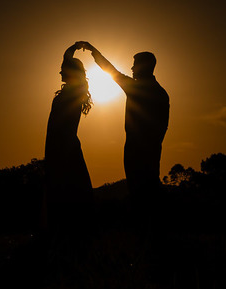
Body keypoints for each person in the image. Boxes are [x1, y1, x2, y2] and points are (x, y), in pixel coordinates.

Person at [77, 41, 169, 201]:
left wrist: (93, 51)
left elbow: (112, 71)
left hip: (138, 153)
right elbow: (163, 127)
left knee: (142, 196)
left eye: (135, 65)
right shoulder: (161, 93)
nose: (132, 69)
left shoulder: (138, 89)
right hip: (150, 153)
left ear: (144, 67)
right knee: (148, 193)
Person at [43, 43, 94, 237]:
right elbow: (66, 58)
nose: (60, 72)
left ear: (71, 72)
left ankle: (68, 233)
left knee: (67, 188)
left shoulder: (74, 93)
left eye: (63, 70)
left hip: (64, 146)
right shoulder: (71, 91)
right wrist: (74, 46)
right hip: (59, 144)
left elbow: (62, 126)